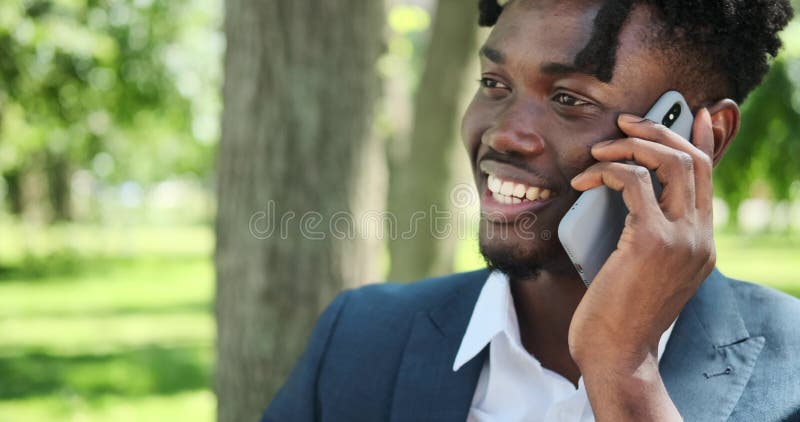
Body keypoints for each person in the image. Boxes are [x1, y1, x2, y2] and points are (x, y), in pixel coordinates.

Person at [261, 0, 800, 420]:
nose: (503, 134)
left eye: (570, 98)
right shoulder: (359, 340)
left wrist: (622, 367)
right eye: (494, 84)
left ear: (701, 138)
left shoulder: (789, 375)